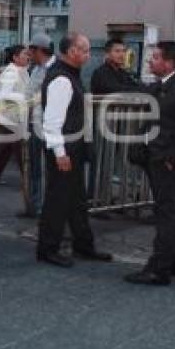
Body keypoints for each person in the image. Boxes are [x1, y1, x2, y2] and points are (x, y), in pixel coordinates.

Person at [124, 41, 175, 285]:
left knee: (166, 213)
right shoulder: (162, 86)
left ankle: (159, 269)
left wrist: (172, 159)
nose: (150, 61)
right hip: (156, 157)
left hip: (168, 161)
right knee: (173, 209)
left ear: (168, 62)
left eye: (155, 57)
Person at [37, 32, 112, 267]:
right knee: (57, 200)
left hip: (73, 146)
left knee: (77, 200)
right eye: (86, 50)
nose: (89, 55)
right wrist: (60, 153)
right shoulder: (62, 79)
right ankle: (48, 249)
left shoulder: (72, 75)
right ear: (72, 52)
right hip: (64, 149)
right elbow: (52, 121)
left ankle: (83, 245)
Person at [0, 45, 29, 187]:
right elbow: (4, 94)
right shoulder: (11, 73)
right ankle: (28, 181)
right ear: (15, 57)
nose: (28, 56)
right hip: (9, 118)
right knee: (20, 151)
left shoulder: (23, 72)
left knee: (5, 150)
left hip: (14, 118)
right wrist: (23, 98)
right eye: (24, 54)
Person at [23, 33, 55, 218]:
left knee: (45, 169)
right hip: (34, 123)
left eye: (31, 50)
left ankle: (45, 206)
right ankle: (35, 204)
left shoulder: (55, 70)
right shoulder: (36, 69)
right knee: (35, 166)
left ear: (39, 50)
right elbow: (28, 94)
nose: (29, 54)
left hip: (47, 127)